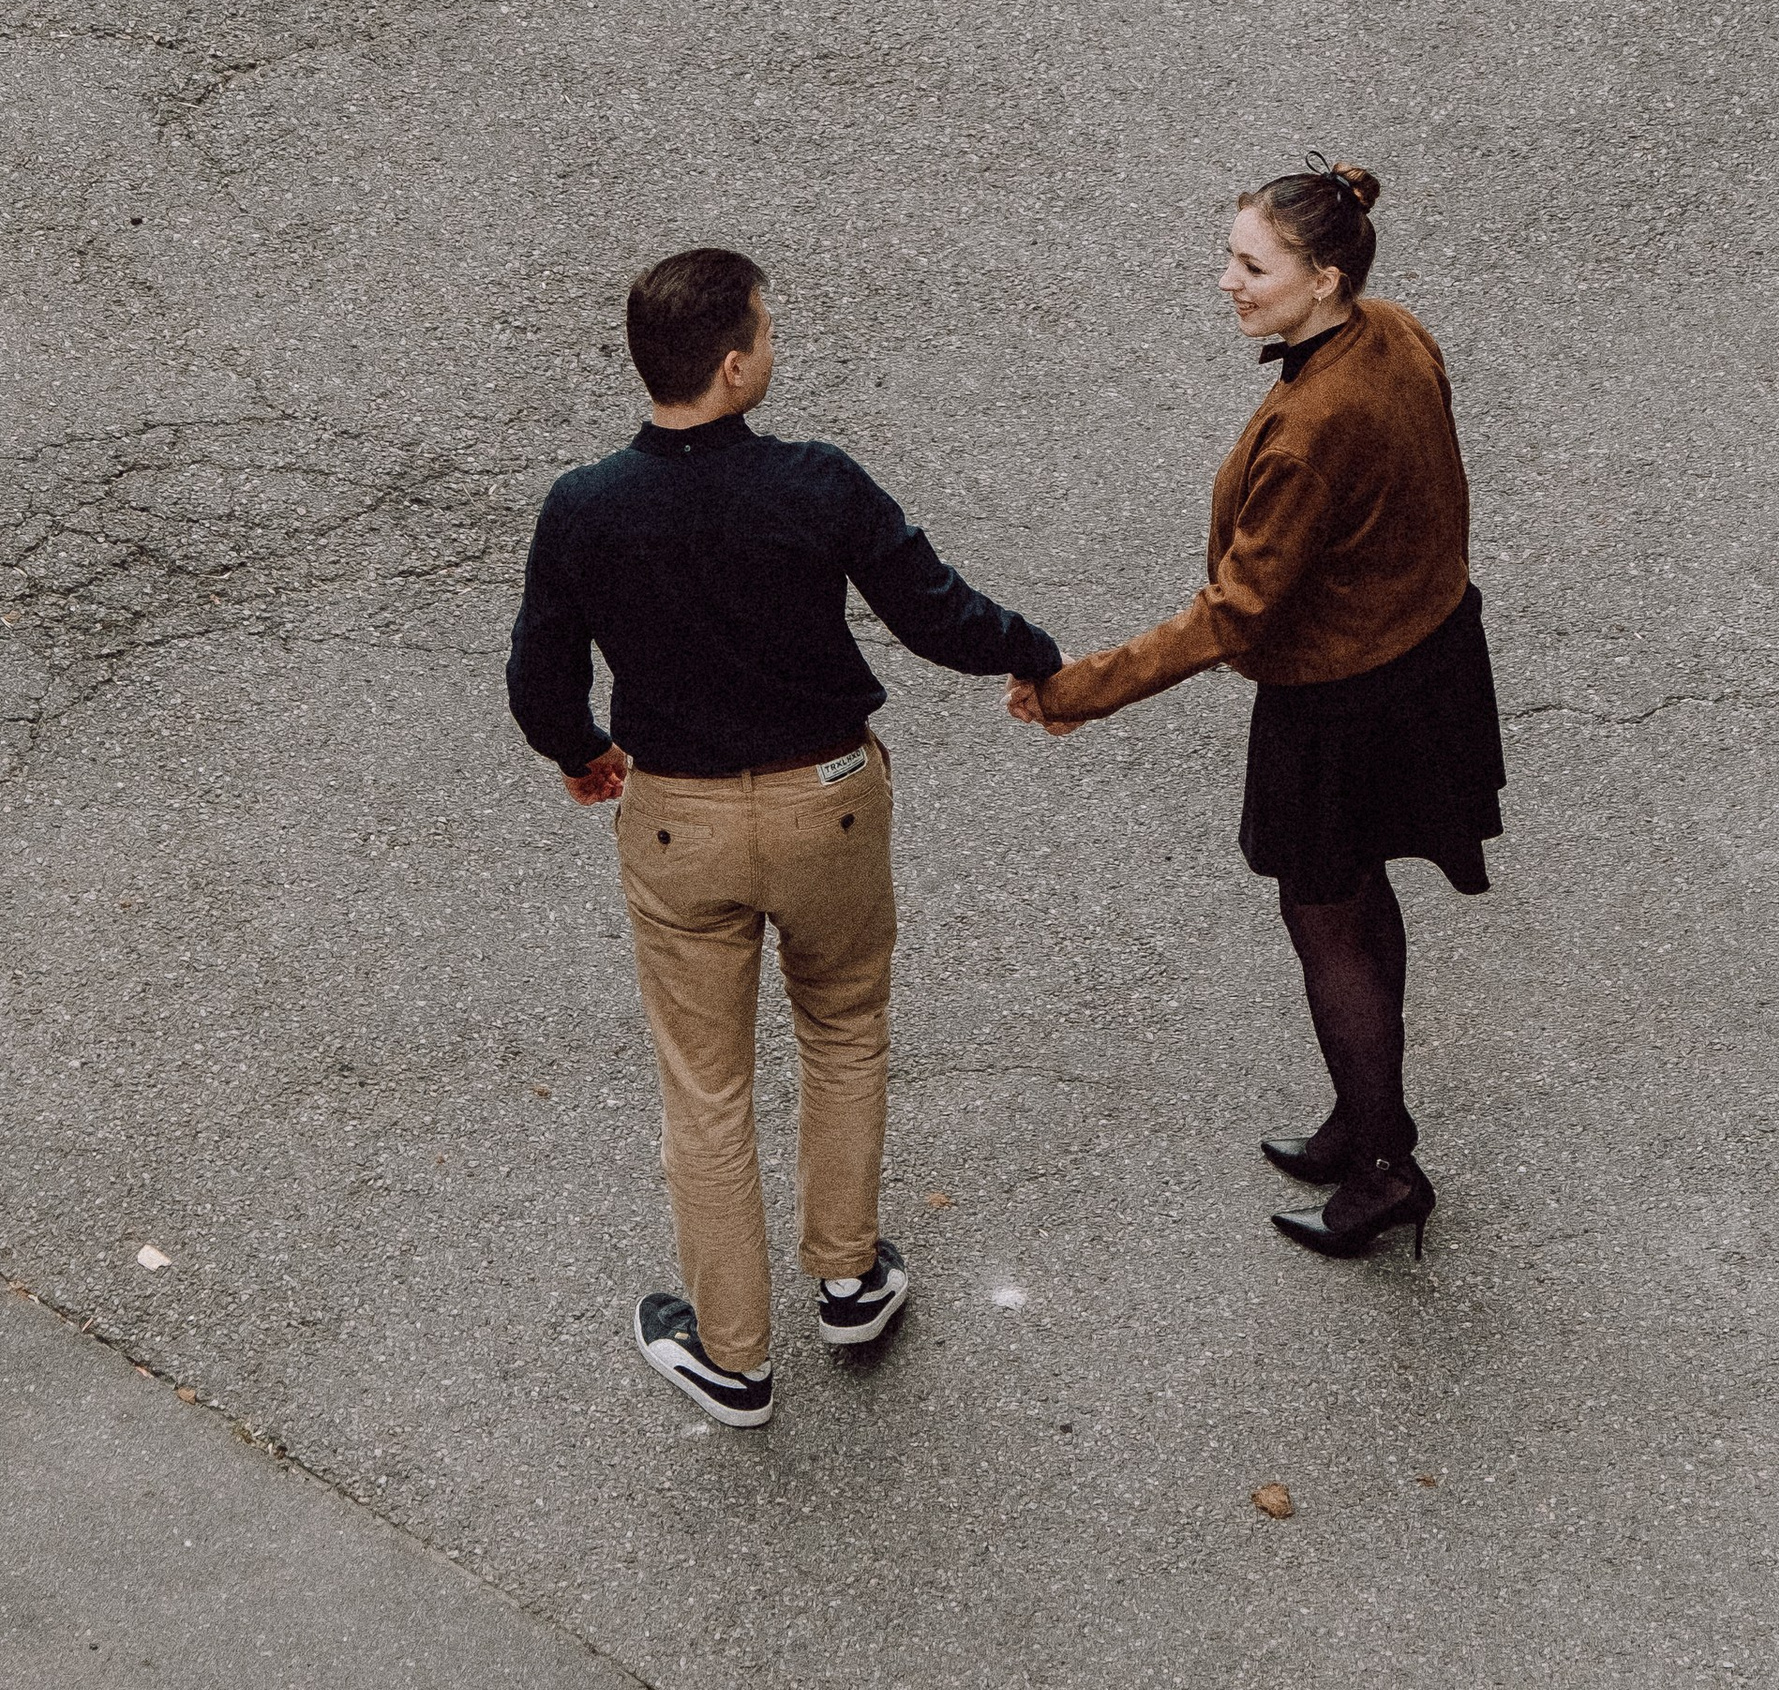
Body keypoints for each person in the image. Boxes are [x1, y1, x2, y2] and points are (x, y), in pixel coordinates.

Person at [507, 244, 1064, 1425]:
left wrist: (582, 754)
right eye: (764, 328)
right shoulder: (816, 484)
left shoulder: (585, 507)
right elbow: (935, 612)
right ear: (732, 364)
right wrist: (1035, 655)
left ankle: (734, 1353)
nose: (772, 341)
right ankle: (850, 1277)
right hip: (828, 803)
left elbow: (538, 679)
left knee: (706, 1088)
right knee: (845, 1025)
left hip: (678, 825)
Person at [1012, 162, 1503, 1260]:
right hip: (1423, 662)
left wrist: (1078, 690)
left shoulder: (1310, 426)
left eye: (1250, 265)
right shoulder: (1395, 333)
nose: (1224, 281)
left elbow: (1235, 613)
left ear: (1324, 280)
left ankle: (1382, 1169)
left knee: (1324, 919)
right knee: (1360, 900)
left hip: (1341, 702)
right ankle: (1367, 1117)